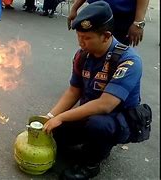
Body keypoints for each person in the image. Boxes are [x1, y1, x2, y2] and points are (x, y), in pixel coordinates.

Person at [43, 1, 143, 179]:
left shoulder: (128, 61)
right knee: (53, 131)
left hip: (115, 120)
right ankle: (87, 142)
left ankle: (91, 164)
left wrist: (62, 117)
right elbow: (74, 90)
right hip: (88, 113)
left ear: (106, 36)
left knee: (99, 124)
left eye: (87, 38)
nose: (81, 42)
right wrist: (50, 117)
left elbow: (105, 105)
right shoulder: (83, 56)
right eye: (79, 36)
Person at [67, 0, 149, 46]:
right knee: (90, 49)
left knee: (115, 56)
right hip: (95, 14)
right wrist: (74, 8)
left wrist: (138, 22)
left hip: (120, 18)